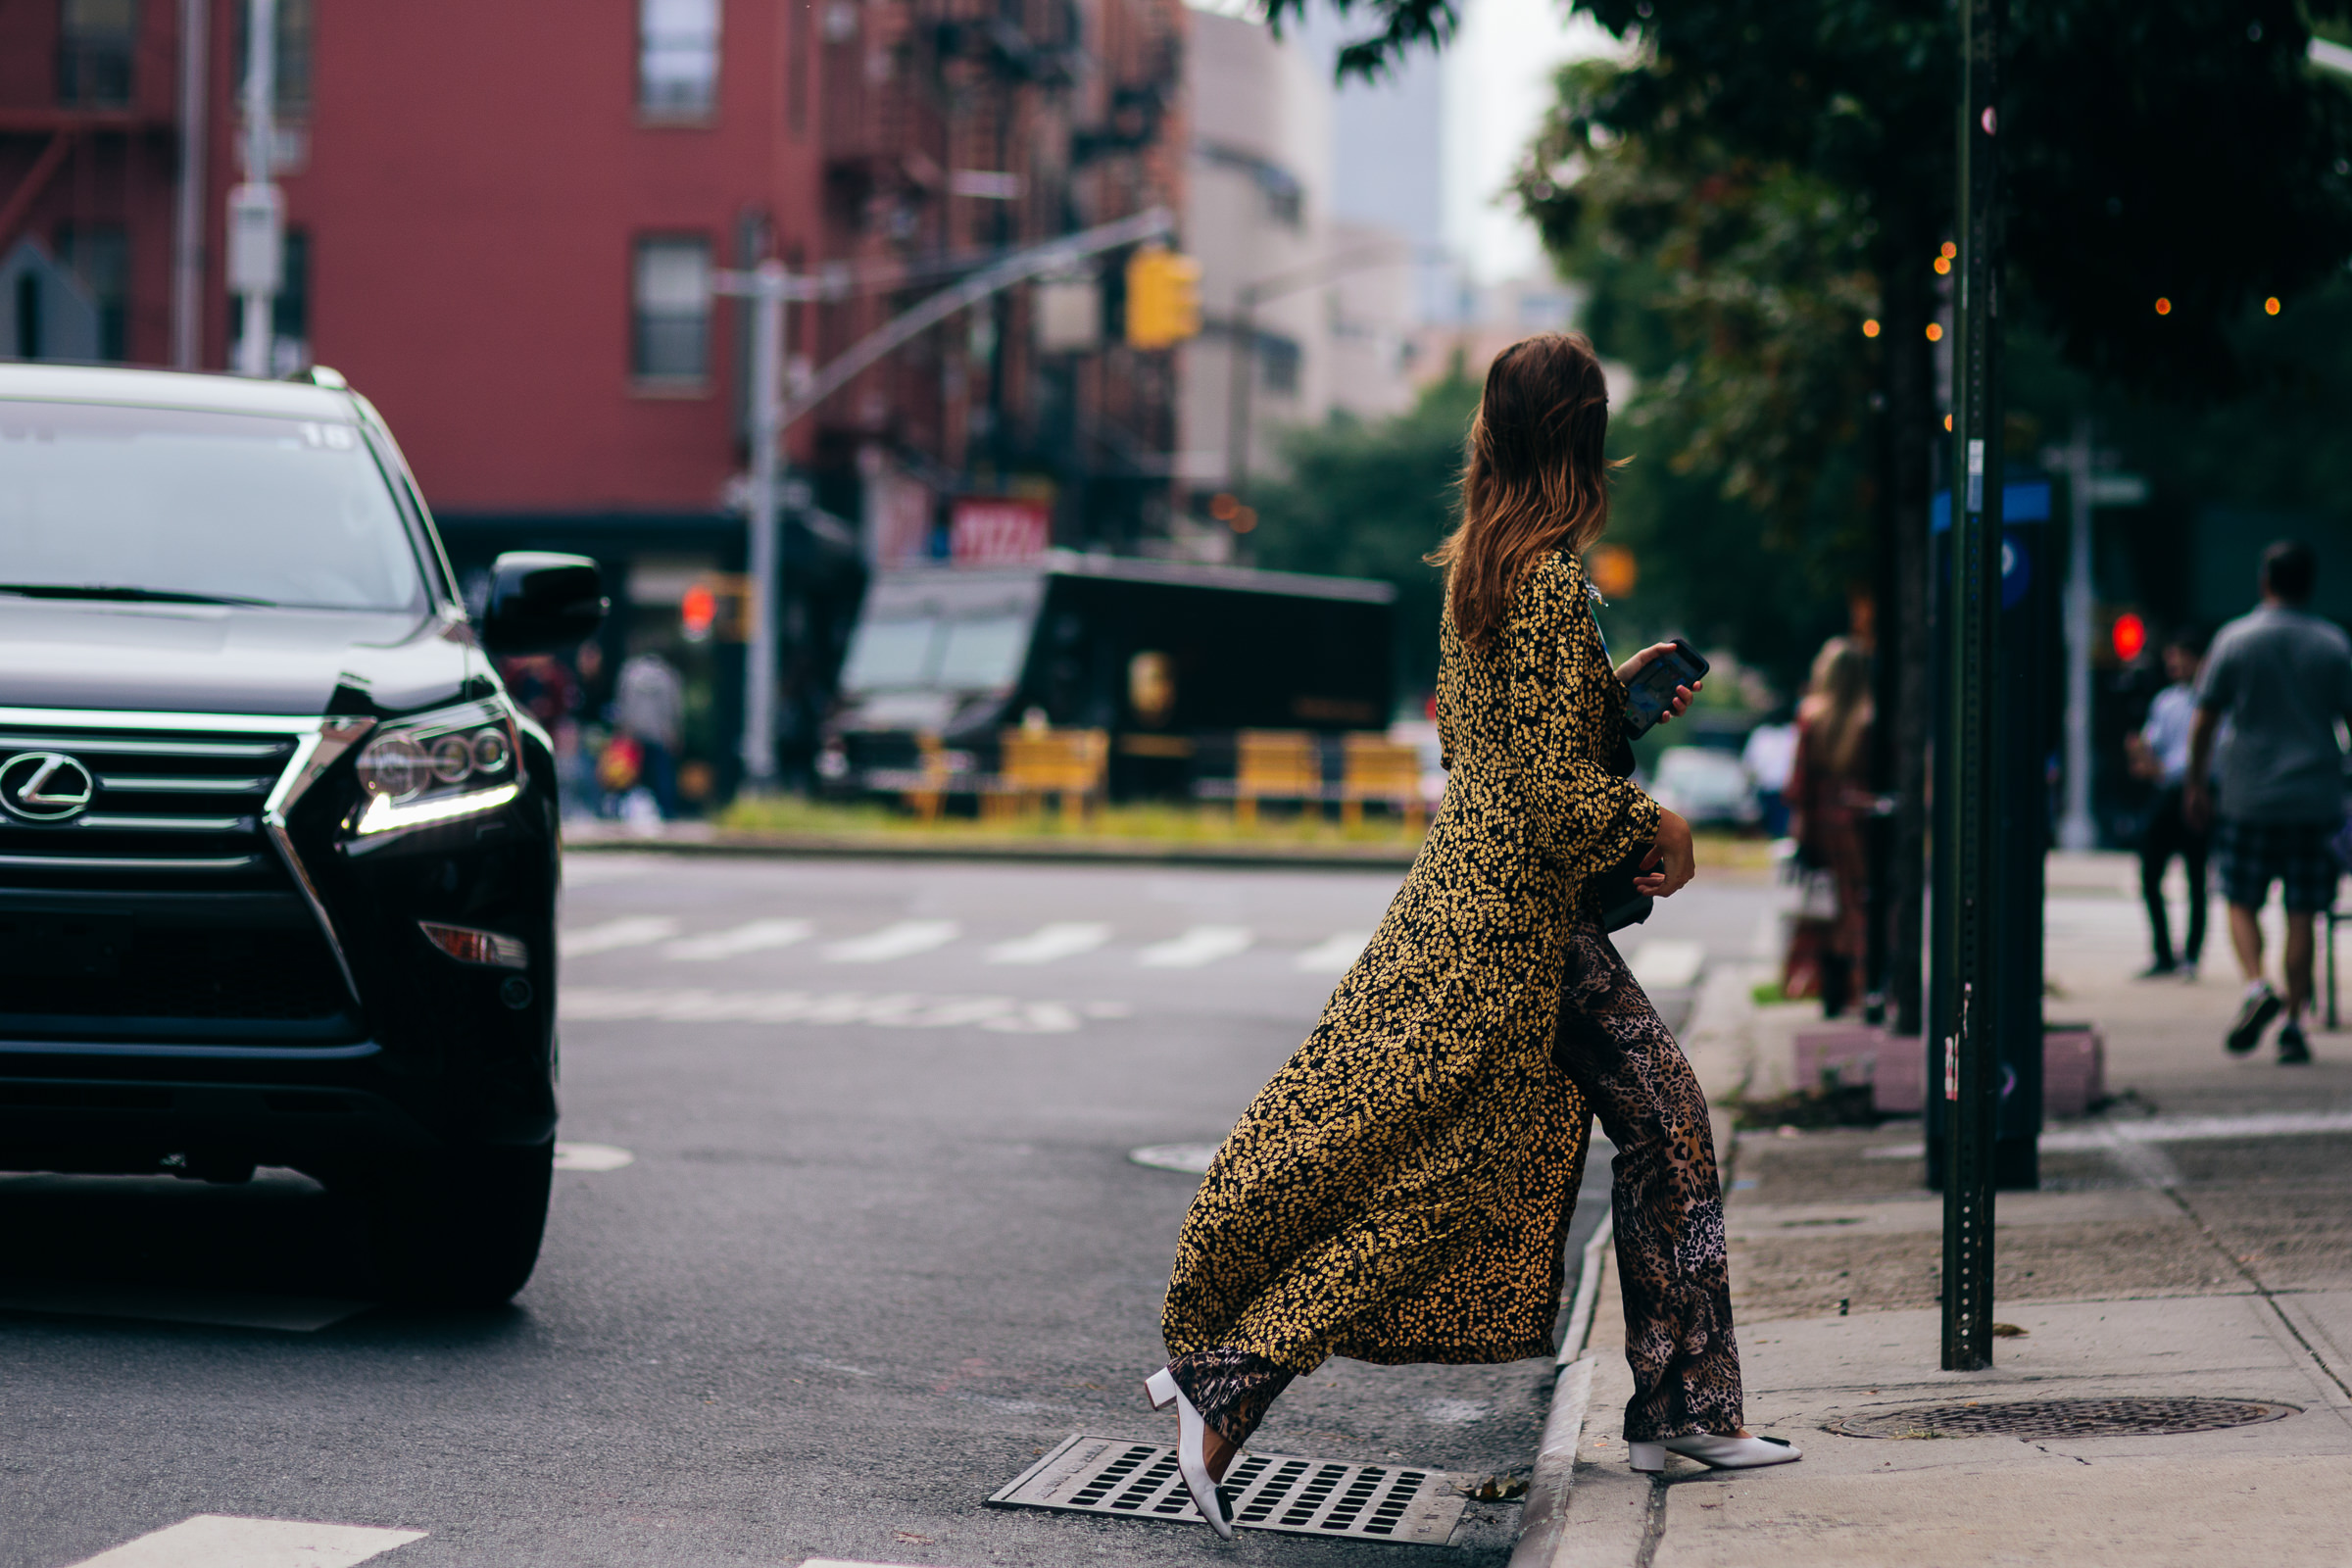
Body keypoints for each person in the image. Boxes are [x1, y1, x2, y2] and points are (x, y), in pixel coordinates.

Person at [1146, 334, 1797, 1542]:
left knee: (1649, 1124)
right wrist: (1661, 816)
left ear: (1492, 434)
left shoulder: (1486, 573)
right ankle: (1227, 1383)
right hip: (1511, 937)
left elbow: (1500, 759)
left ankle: (1682, 1402)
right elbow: (1543, 791)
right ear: (1587, 438)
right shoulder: (1545, 582)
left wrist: (1617, 700)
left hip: (1487, 912)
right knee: (1450, 1180)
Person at [2185, 542, 2352, 1064]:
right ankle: (2294, 1025)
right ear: (2310, 584)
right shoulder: (2333, 645)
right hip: (2315, 795)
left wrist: (2194, 783)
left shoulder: (2235, 640)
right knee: (2303, 908)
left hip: (2248, 796)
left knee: (2240, 895)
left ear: (2265, 581)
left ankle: (2257, 985)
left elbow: (2205, 720)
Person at [1786, 638, 1874, 1018]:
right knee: (1856, 906)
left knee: (1821, 909)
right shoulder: (1868, 719)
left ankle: (1828, 988)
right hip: (1857, 826)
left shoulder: (1811, 716)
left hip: (1820, 825)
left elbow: (1799, 783)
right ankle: (1860, 985)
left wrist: (1799, 831)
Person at [2127, 628, 2212, 980]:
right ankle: (2164, 951)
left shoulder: (2213, 701)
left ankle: (2190, 955)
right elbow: (2149, 744)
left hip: (2200, 790)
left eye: (2182, 657)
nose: (2175, 664)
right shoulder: (2166, 701)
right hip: (2167, 793)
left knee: (2196, 876)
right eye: (2171, 658)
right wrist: (2141, 755)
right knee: (2150, 874)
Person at [612, 648, 685, 819]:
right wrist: (674, 732)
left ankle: (624, 811)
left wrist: (624, 730)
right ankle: (667, 812)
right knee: (663, 777)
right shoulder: (668, 675)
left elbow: (622, 704)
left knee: (629, 776)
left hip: (634, 733)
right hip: (660, 734)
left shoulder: (629, 673)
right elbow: (675, 708)